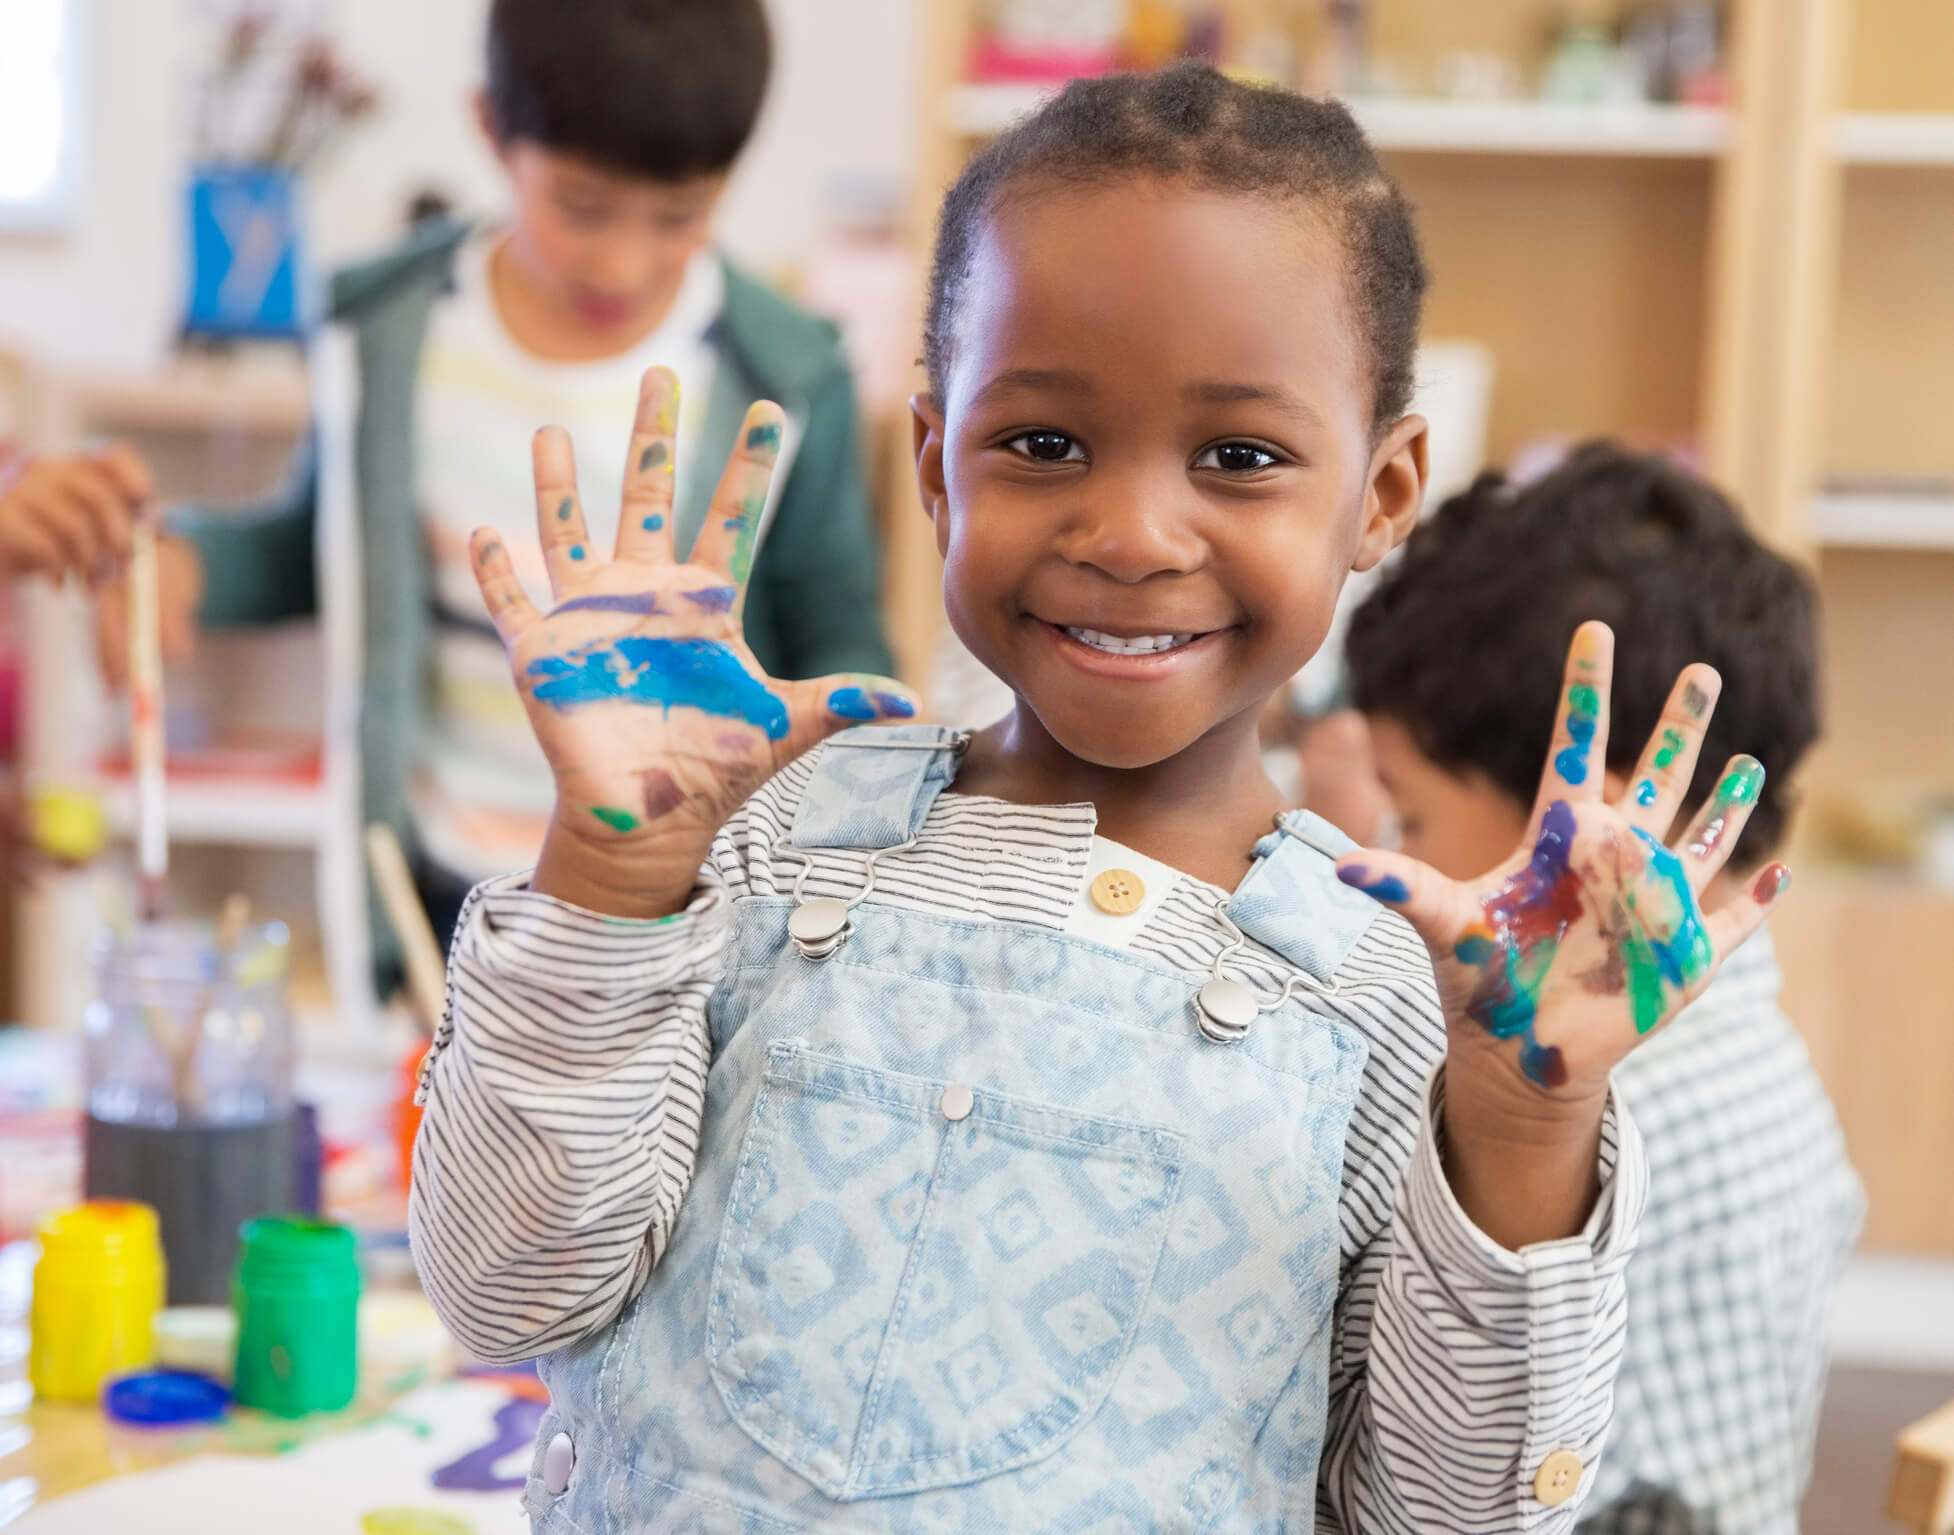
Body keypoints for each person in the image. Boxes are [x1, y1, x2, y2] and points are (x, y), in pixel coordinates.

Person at [410, 67, 1789, 1531]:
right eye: (1045, 443)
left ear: (1380, 493)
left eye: (1238, 457)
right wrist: (608, 886)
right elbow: (507, 1285)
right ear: (937, 466)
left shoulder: (1395, 991)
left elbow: (1454, 1515)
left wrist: (1517, 1126)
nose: (1130, 532)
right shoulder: (763, 841)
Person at [94, 0, 893, 971]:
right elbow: (322, 548)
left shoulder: (789, 375)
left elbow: (834, 620)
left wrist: (866, 740)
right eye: (582, 208)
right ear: (490, 131)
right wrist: (184, 558)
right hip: (442, 894)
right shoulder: (384, 333)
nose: (621, 259)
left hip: (677, 898)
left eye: (676, 218)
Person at [1343, 442, 1864, 1535]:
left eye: (1414, 813)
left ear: (1592, 837)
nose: (1401, 847)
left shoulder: (1575, 1104)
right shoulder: (1761, 1048)